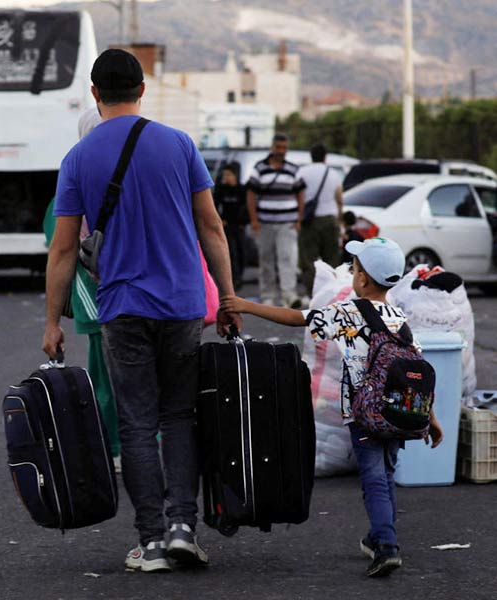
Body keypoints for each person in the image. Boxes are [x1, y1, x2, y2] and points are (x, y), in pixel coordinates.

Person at [42, 49, 240, 573]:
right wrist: (229, 297)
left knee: (135, 422)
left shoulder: (79, 158)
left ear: (94, 93)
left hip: (122, 307)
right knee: (180, 416)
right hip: (181, 305)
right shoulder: (178, 144)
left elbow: (63, 250)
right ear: (142, 89)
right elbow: (212, 227)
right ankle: (182, 528)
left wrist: (51, 321)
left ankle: (150, 542)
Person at [220, 237, 444, 578]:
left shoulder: (347, 312)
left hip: (364, 414)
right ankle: (379, 535)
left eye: (354, 268)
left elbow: (297, 318)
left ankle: (386, 544)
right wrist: (431, 417)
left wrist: (245, 305)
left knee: (374, 479)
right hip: (398, 411)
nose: (352, 273)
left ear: (363, 279)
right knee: (385, 474)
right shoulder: (399, 317)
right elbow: (414, 368)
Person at [43, 107, 121, 470]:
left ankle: (116, 447)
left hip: (94, 300)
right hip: (111, 299)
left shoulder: (72, 180)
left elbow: (58, 248)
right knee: (113, 378)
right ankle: (119, 447)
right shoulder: (119, 178)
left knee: (108, 378)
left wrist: (53, 319)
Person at [247, 133, 306, 308]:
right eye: (279, 147)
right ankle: (268, 296)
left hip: (287, 223)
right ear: (272, 148)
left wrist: (299, 219)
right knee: (266, 260)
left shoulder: (293, 169)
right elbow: (250, 195)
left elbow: (300, 194)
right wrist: (254, 220)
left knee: (287, 259)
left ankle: (289, 295)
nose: (282, 151)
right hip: (264, 223)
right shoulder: (259, 168)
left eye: (284, 148)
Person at [297, 143, 344, 298]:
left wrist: (298, 218)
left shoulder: (302, 172)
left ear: (311, 155)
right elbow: (339, 199)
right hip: (330, 220)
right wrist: (340, 220)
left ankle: (312, 294)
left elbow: (298, 196)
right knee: (331, 259)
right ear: (325, 156)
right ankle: (332, 293)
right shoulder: (333, 173)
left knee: (308, 260)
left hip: (309, 220)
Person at [214, 162, 248, 289]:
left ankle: (240, 277)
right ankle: (233, 278)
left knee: (241, 251)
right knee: (231, 252)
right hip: (227, 225)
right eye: (225, 175)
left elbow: (246, 207)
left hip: (239, 225)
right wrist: (220, 219)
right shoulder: (221, 189)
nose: (226, 178)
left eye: (229, 175)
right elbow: (215, 205)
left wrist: (244, 222)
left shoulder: (241, 190)